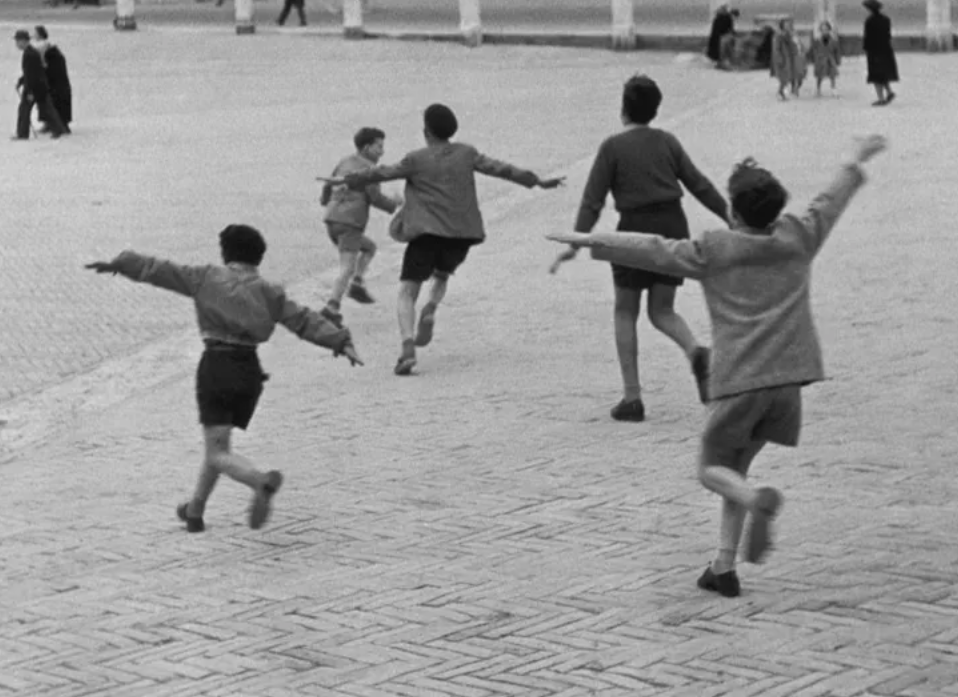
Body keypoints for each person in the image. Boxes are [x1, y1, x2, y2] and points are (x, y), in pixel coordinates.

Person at [548, 134, 889, 597]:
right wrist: (854, 160)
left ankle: (757, 502)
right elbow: (830, 202)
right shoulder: (799, 236)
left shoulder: (714, 250)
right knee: (736, 469)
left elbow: (653, 248)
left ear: (734, 212)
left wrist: (593, 240)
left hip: (740, 384)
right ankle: (723, 568)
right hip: (787, 385)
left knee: (711, 469)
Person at [85, 224, 362, 533]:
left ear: (225, 252)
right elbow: (303, 320)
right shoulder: (269, 292)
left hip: (217, 366)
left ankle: (259, 481)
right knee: (218, 448)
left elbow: (158, 269)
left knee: (218, 452)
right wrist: (339, 340)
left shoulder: (206, 277)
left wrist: (121, 263)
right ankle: (194, 511)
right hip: (249, 372)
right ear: (258, 258)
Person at [325, 103, 565, 376]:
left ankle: (407, 348)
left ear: (426, 131)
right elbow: (502, 169)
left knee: (406, 291)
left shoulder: (416, 159)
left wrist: (347, 180)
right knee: (441, 276)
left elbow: (381, 172)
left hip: (426, 234)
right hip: (462, 235)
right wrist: (537, 181)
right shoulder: (466, 153)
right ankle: (431, 307)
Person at [550, 75, 729, 421]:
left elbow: (592, 201)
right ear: (655, 110)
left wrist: (577, 241)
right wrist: (729, 216)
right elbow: (699, 185)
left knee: (625, 311)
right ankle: (696, 351)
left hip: (632, 231)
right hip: (671, 228)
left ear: (623, 109)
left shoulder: (612, 148)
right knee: (662, 311)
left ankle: (632, 398)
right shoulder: (667, 142)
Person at [319, 127, 400, 326]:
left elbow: (328, 184)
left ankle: (357, 282)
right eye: (378, 147)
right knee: (346, 266)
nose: (382, 151)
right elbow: (375, 198)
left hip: (332, 220)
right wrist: (395, 204)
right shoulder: (369, 170)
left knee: (369, 248)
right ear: (366, 148)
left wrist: (325, 201)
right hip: (350, 223)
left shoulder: (345, 161)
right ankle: (332, 306)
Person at [14, 29, 67, 140]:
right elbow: (30, 72)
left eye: (18, 41)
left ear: (23, 41)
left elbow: (32, 75)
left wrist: (29, 91)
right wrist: (20, 81)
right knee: (46, 109)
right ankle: (58, 129)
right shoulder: (30, 52)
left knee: (26, 110)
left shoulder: (30, 54)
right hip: (39, 87)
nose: (16, 44)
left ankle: (22, 134)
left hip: (35, 88)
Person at [33, 25, 72, 130]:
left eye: (35, 33)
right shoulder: (47, 46)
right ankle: (53, 122)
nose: (33, 35)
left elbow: (41, 61)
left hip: (53, 79)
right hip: (55, 79)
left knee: (51, 100)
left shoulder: (42, 45)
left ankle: (53, 123)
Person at [861, 0, 898, 106]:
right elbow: (888, 35)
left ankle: (881, 98)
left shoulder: (869, 21)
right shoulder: (886, 19)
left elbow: (867, 37)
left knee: (875, 75)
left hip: (874, 50)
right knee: (884, 73)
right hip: (886, 49)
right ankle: (889, 91)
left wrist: (865, 49)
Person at [770, 17, 806, 101]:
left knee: (797, 75)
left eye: (789, 24)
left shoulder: (793, 34)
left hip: (794, 58)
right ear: (782, 25)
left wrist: (802, 52)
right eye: (786, 24)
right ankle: (781, 92)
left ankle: (793, 90)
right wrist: (779, 59)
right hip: (784, 59)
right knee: (784, 77)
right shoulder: (778, 36)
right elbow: (776, 48)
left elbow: (799, 45)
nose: (788, 26)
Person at [808, 21, 841, 97]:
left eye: (826, 29)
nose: (824, 31)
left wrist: (838, 60)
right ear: (820, 30)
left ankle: (833, 89)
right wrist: (812, 59)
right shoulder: (817, 40)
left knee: (832, 75)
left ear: (829, 30)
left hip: (830, 59)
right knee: (819, 76)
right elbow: (813, 50)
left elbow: (837, 51)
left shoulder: (833, 40)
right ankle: (818, 89)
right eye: (823, 29)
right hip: (820, 60)